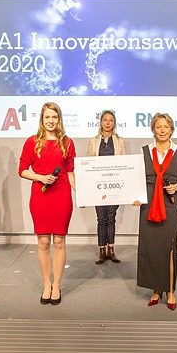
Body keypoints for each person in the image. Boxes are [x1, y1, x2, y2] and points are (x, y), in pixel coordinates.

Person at [19, 102, 76, 305]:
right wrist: (40, 177)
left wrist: (84, 193)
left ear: (59, 119)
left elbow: (70, 171)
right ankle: (46, 284)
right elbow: (22, 170)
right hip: (40, 195)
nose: (51, 121)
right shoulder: (32, 142)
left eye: (54, 117)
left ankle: (57, 285)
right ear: (41, 120)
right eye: (47, 117)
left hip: (61, 195)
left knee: (59, 242)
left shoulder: (67, 142)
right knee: (43, 242)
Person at [134, 113, 177, 310]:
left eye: (166, 127)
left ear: (171, 129)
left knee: (168, 247)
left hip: (170, 203)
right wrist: (136, 195)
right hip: (148, 203)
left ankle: (171, 290)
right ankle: (156, 289)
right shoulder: (145, 151)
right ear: (153, 129)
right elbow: (136, 178)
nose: (162, 130)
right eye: (158, 127)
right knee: (150, 247)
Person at [86, 110, 126, 264]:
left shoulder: (120, 141)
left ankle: (111, 250)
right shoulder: (93, 141)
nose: (108, 122)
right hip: (98, 186)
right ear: (101, 122)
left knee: (111, 218)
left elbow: (124, 163)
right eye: (105, 120)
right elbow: (88, 163)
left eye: (111, 120)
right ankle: (102, 251)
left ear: (114, 123)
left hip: (114, 186)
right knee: (101, 219)